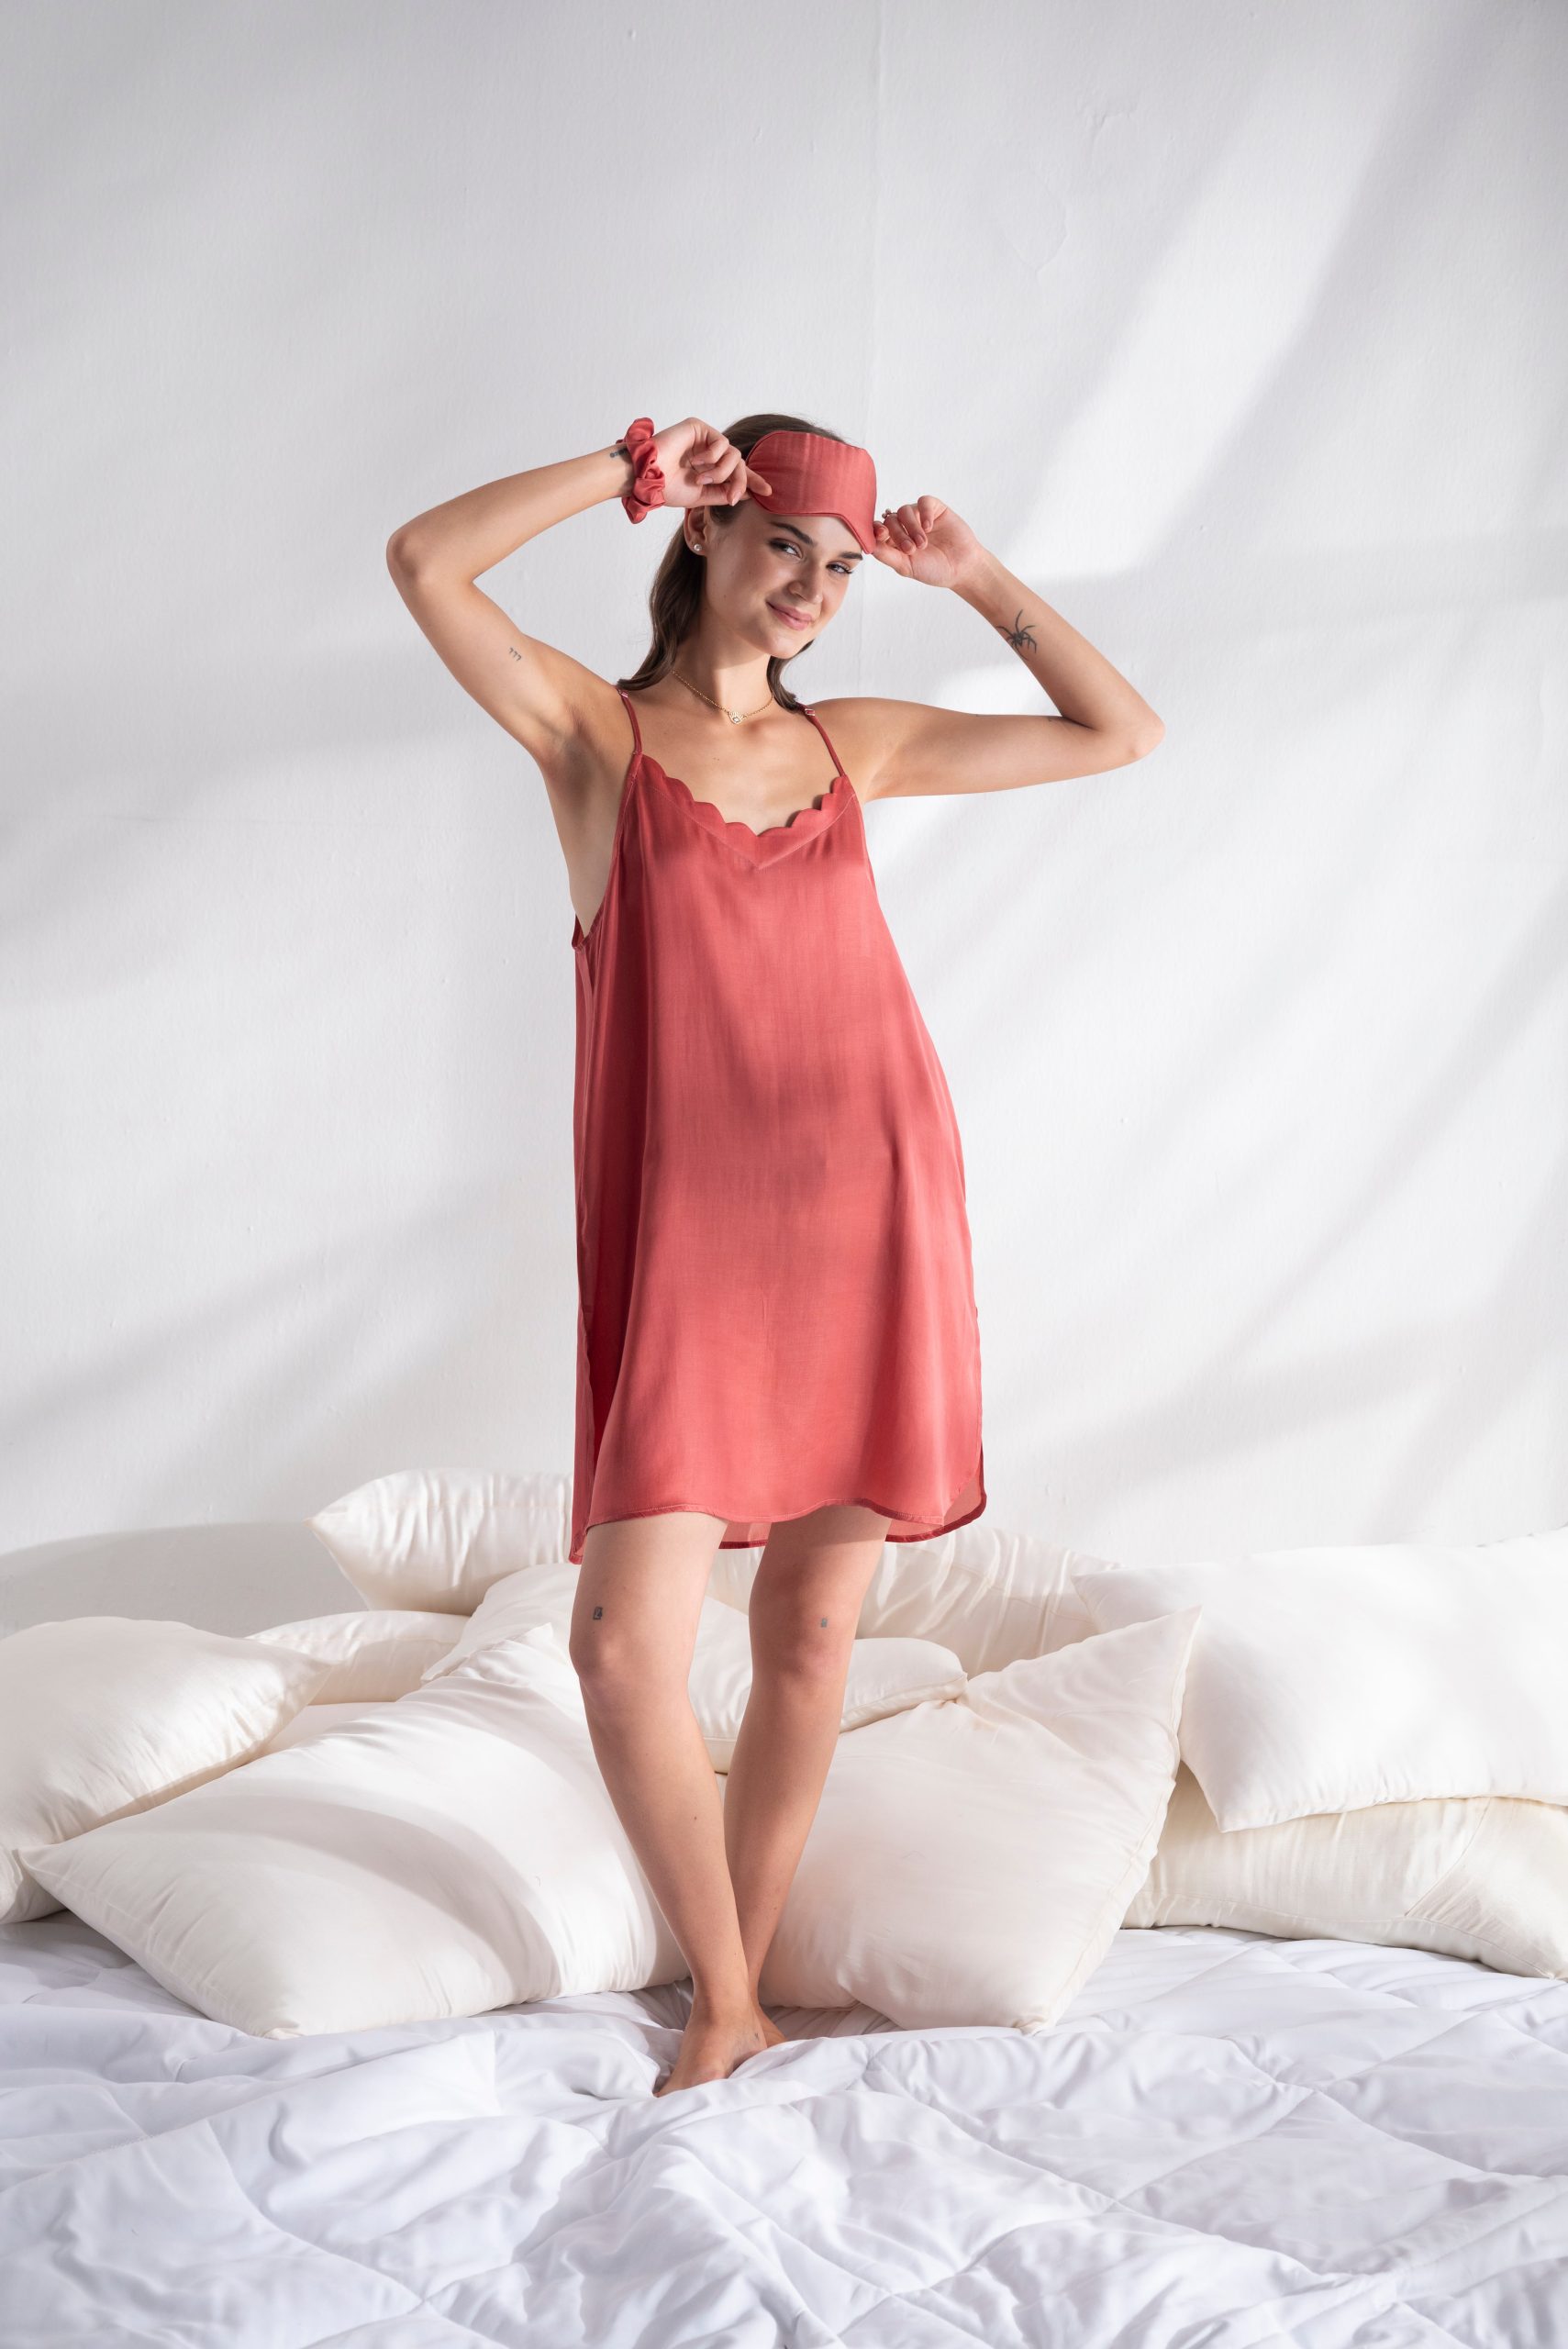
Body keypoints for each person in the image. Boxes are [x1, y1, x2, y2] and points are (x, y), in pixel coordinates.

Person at [385, 411, 1163, 2096]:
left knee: (811, 1633)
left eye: (839, 563)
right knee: (621, 1651)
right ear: (706, 536)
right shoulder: (594, 739)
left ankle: (729, 1995)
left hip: (871, 1207)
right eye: (782, 541)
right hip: (693, 1245)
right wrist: (620, 469)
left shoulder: (852, 747)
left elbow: (1119, 732)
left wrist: (975, 578)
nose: (812, 583)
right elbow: (426, 564)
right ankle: (728, 1997)